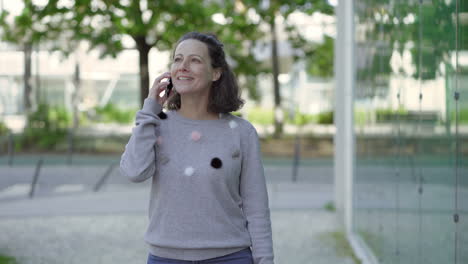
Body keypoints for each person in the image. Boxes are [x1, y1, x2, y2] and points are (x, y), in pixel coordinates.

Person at [120, 32, 274, 264]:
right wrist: (149, 111)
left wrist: (265, 260)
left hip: (230, 257)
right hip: (165, 258)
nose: (183, 66)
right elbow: (134, 172)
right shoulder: (155, 125)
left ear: (216, 73)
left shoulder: (241, 132)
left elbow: (257, 207)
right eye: (178, 59)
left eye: (195, 60)